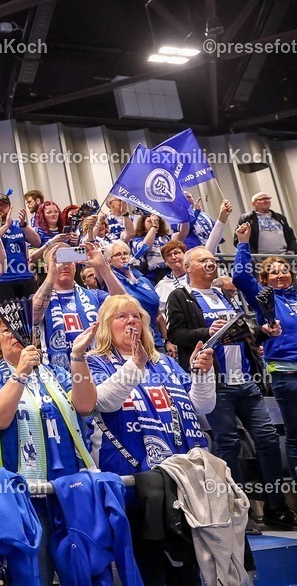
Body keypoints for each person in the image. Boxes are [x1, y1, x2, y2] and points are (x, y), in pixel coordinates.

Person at [166, 244, 297, 531]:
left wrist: (263, 333)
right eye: (203, 260)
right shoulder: (181, 296)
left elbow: (242, 335)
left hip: (246, 381)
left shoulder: (223, 295)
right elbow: (176, 334)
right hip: (216, 383)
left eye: (213, 259)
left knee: (267, 439)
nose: (210, 263)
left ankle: (275, 507)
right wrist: (206, 331)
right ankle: (238, 510)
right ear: (187, 267)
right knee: (228, 443)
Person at [0, 311, 97, 584]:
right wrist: (20, 373)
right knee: (34, 577)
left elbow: (85, 405)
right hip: (25, 497)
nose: (14, 336)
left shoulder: (56, 372)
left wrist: (78, 356)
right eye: (6, 331)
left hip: (70, 490)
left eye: (20, 330)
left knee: (80, 575)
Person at [86, 295, 215, 473]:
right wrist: (135, 365)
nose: (131, 320)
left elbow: (202, 407)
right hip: (125, 471)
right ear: (106, 325)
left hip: (182, 469)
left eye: (136, 316)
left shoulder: (164, 362)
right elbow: (103, 402)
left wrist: (202, 375)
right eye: (122, 316)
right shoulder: (94, 361)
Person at [234, 222, 297, 482]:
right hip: (287, 375)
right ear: (265, 279)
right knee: (295, 435)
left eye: (285, 271)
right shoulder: (265, 297)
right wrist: (243, 244)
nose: (280, 275)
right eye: (273, 273)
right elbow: (240, 278)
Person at [33, 242, 126, 370]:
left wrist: (103, 267)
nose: (64, 265)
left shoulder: (94, 295)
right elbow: (33, 316)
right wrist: (51, 275)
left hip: (97, 368)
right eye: (57, 260)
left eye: (68, 259)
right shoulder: (39, 298)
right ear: (46, 268)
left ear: (75, 265)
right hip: (58, 373)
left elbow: (125, 305)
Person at [106, 240, 167, 352]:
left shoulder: (143, 279)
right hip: (130, 342)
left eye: (125, 253)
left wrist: (168, 340)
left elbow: (158, 314)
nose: (123, 257)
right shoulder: (110, 280)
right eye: (118, 254)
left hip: (156, 341)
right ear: (109, 260)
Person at [0, 193, 41, 301]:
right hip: (2, 280)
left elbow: (37, 242)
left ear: (10, 207)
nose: (0, 207)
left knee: (32, 310)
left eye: (4, 205)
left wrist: (24, 225)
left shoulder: (18, 224)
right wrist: (5, 226)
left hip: (25, 277)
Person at [130, 213, 183, 282]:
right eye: (150, 221)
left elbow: (183, 234)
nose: (153, 222)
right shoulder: (137, 240)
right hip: (149, 276)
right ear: (142, 224)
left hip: (169, 272)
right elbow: (145, 247)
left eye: (156, 221)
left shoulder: (165, 238)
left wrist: (185, 219)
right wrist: (154, 227)